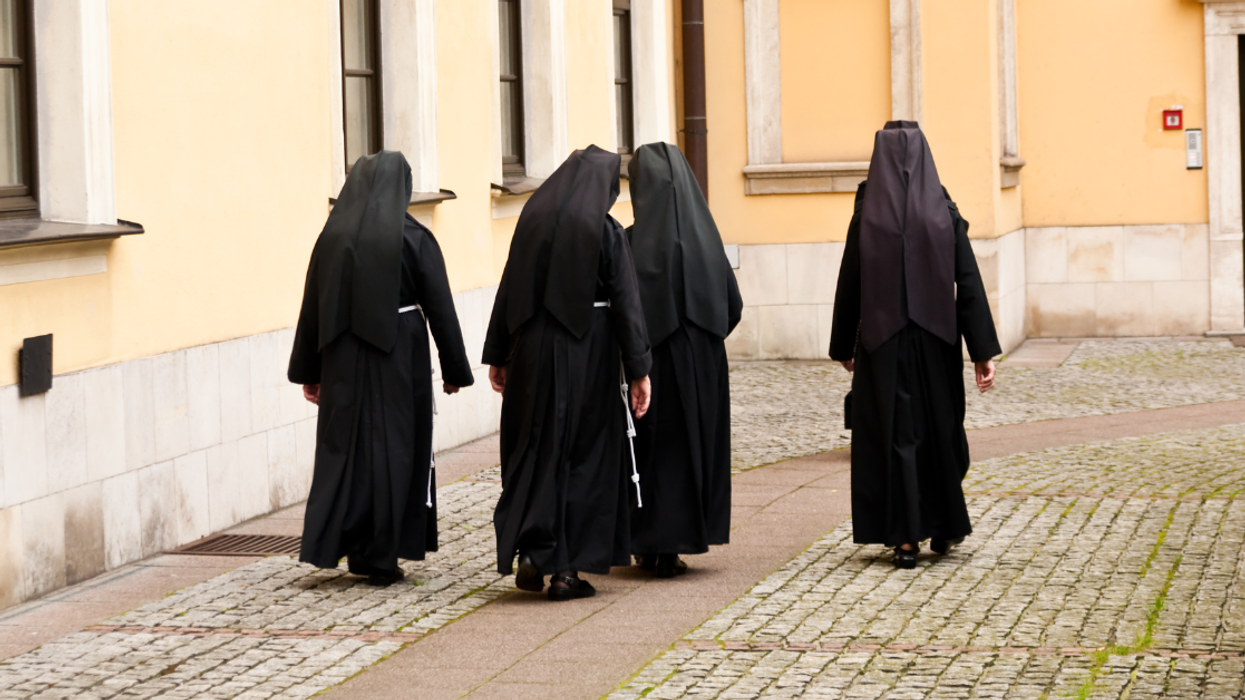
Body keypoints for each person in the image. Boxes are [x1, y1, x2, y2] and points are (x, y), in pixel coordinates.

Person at [288, 150, 474, 586]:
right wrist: (454, 369)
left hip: (341, 359)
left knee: (345, 452)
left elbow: (311, 307)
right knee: (394, 451)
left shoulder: (330, 238)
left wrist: (309, 370)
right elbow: (441, 307)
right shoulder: (415, 238)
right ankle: (383, 555)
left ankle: (351, 547)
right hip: (398, 357)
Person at [483, 145, 653, 601]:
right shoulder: (604, 230)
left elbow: (508, 288)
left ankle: (534, 553)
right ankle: (567, 572)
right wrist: (639, 370)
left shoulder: (531, 223)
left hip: (532, 354)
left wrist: (498, 354)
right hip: (589, 352)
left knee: (535, 452)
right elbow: (627, 304)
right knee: (585, 456)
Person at [828, 122, 999, 570]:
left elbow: (851, 283)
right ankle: (944, 525)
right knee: (939, 432)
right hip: (936, 344)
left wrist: (843, 344)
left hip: (883, 347)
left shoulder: (867, 214)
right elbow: (969, 282)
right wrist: (981, 351)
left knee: (895, 437)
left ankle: (904, 539)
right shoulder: (942, 209)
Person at [625, 142, 742, 578]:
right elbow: (733, 308)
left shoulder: (630, 241)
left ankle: (650, 540)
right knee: (694, 445)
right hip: (703, 361)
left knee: (653, 448)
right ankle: (679, 540)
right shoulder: (707, 241)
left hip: (651, 364)